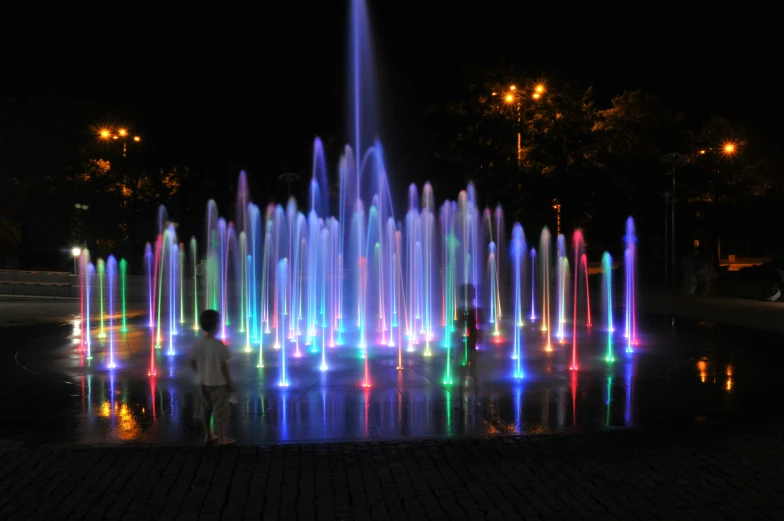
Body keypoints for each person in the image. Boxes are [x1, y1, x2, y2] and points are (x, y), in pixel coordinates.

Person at [189, 309, 235, 445]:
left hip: (203, 383)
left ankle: (209, 435)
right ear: (216, 327)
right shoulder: (219, 345)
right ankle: (222, 438)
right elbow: (223, 366)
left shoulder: (199, 344)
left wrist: (200, 372)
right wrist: (229, 382)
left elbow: (192, 362)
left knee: (206, 409)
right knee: (221, 410)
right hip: (218, 383)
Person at [458, 284, 484, 386]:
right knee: (470, 364)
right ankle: (472, 381)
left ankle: (467, 379)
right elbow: (481, 330)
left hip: (467, 341)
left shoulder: (460, 311)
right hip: (470, 341)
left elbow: (457, 329)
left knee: (467, 364)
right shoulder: (477, 311)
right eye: (473, 292)